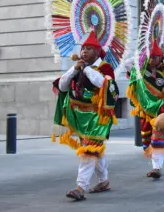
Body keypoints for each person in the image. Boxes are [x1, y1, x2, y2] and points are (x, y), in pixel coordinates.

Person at [52, 31, 119, 201]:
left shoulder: (104, 67)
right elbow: (63, 86)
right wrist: (74, 69)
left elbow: (104, 84)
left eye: (89, 49)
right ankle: (104, 181)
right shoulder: (78, 66)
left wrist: (86, 69)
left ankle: (81, 187)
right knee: (95, 149)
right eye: (83, 49)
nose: (84, 52)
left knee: (89, 150)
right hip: (80, 116)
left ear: (97, 52)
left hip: (98, 116)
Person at [126, 41, 164, 178]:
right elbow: (128, 65)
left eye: (155, 57)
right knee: (147, 141)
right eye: (150, 57)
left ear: (160, 58)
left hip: (161, 109)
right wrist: (141, 54)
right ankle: (155, 163)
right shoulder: (140, 71)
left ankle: (157, 168)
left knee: (158, 138)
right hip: (145, 111)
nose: (152, 60)